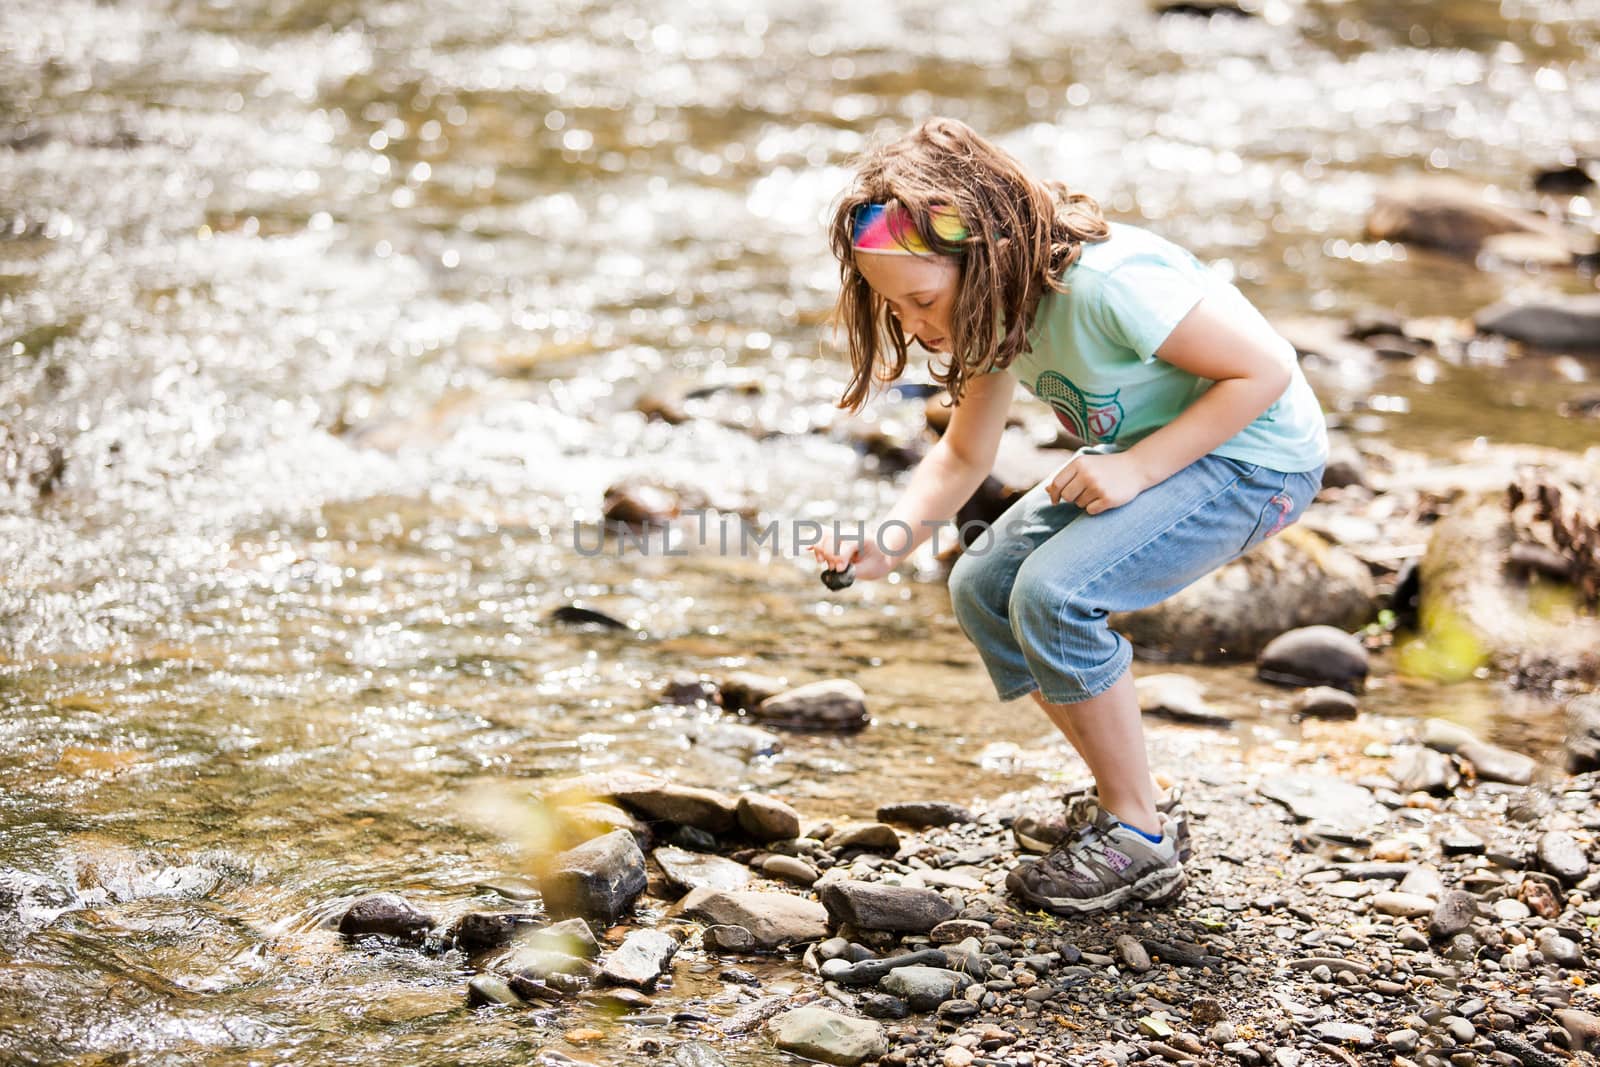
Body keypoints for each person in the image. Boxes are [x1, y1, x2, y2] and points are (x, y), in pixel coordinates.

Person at [812, 118, 1328, 915]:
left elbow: (1264, 370)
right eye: (895, 308)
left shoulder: (1107, 285)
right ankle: (1132, 806)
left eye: (920, 300)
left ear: (983, 253)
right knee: (984, 583)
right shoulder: (993, 309)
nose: (914, 328)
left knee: (1054, 594)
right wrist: (888, 540)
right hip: (1165, 454)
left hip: (1257, 458)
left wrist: (1135, 467)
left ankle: (1140, 836)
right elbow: (961, 457)